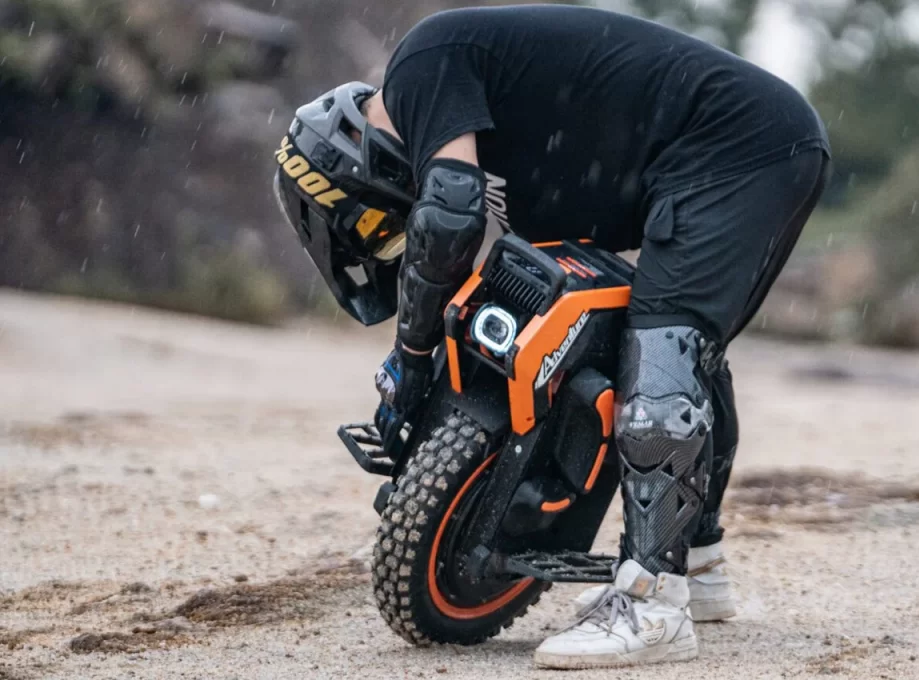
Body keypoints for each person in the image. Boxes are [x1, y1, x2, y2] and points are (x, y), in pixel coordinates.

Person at [275, 4, 830, 669]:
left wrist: (411, 358)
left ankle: (654, 602)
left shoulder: (422, 64)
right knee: (674, 349)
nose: (388, 237)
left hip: (745, 145)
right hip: (715, 157)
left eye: (372, 226)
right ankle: (699, 566)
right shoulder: (509, 155)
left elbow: (450, 213)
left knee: (665, 342)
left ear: (350, 162)